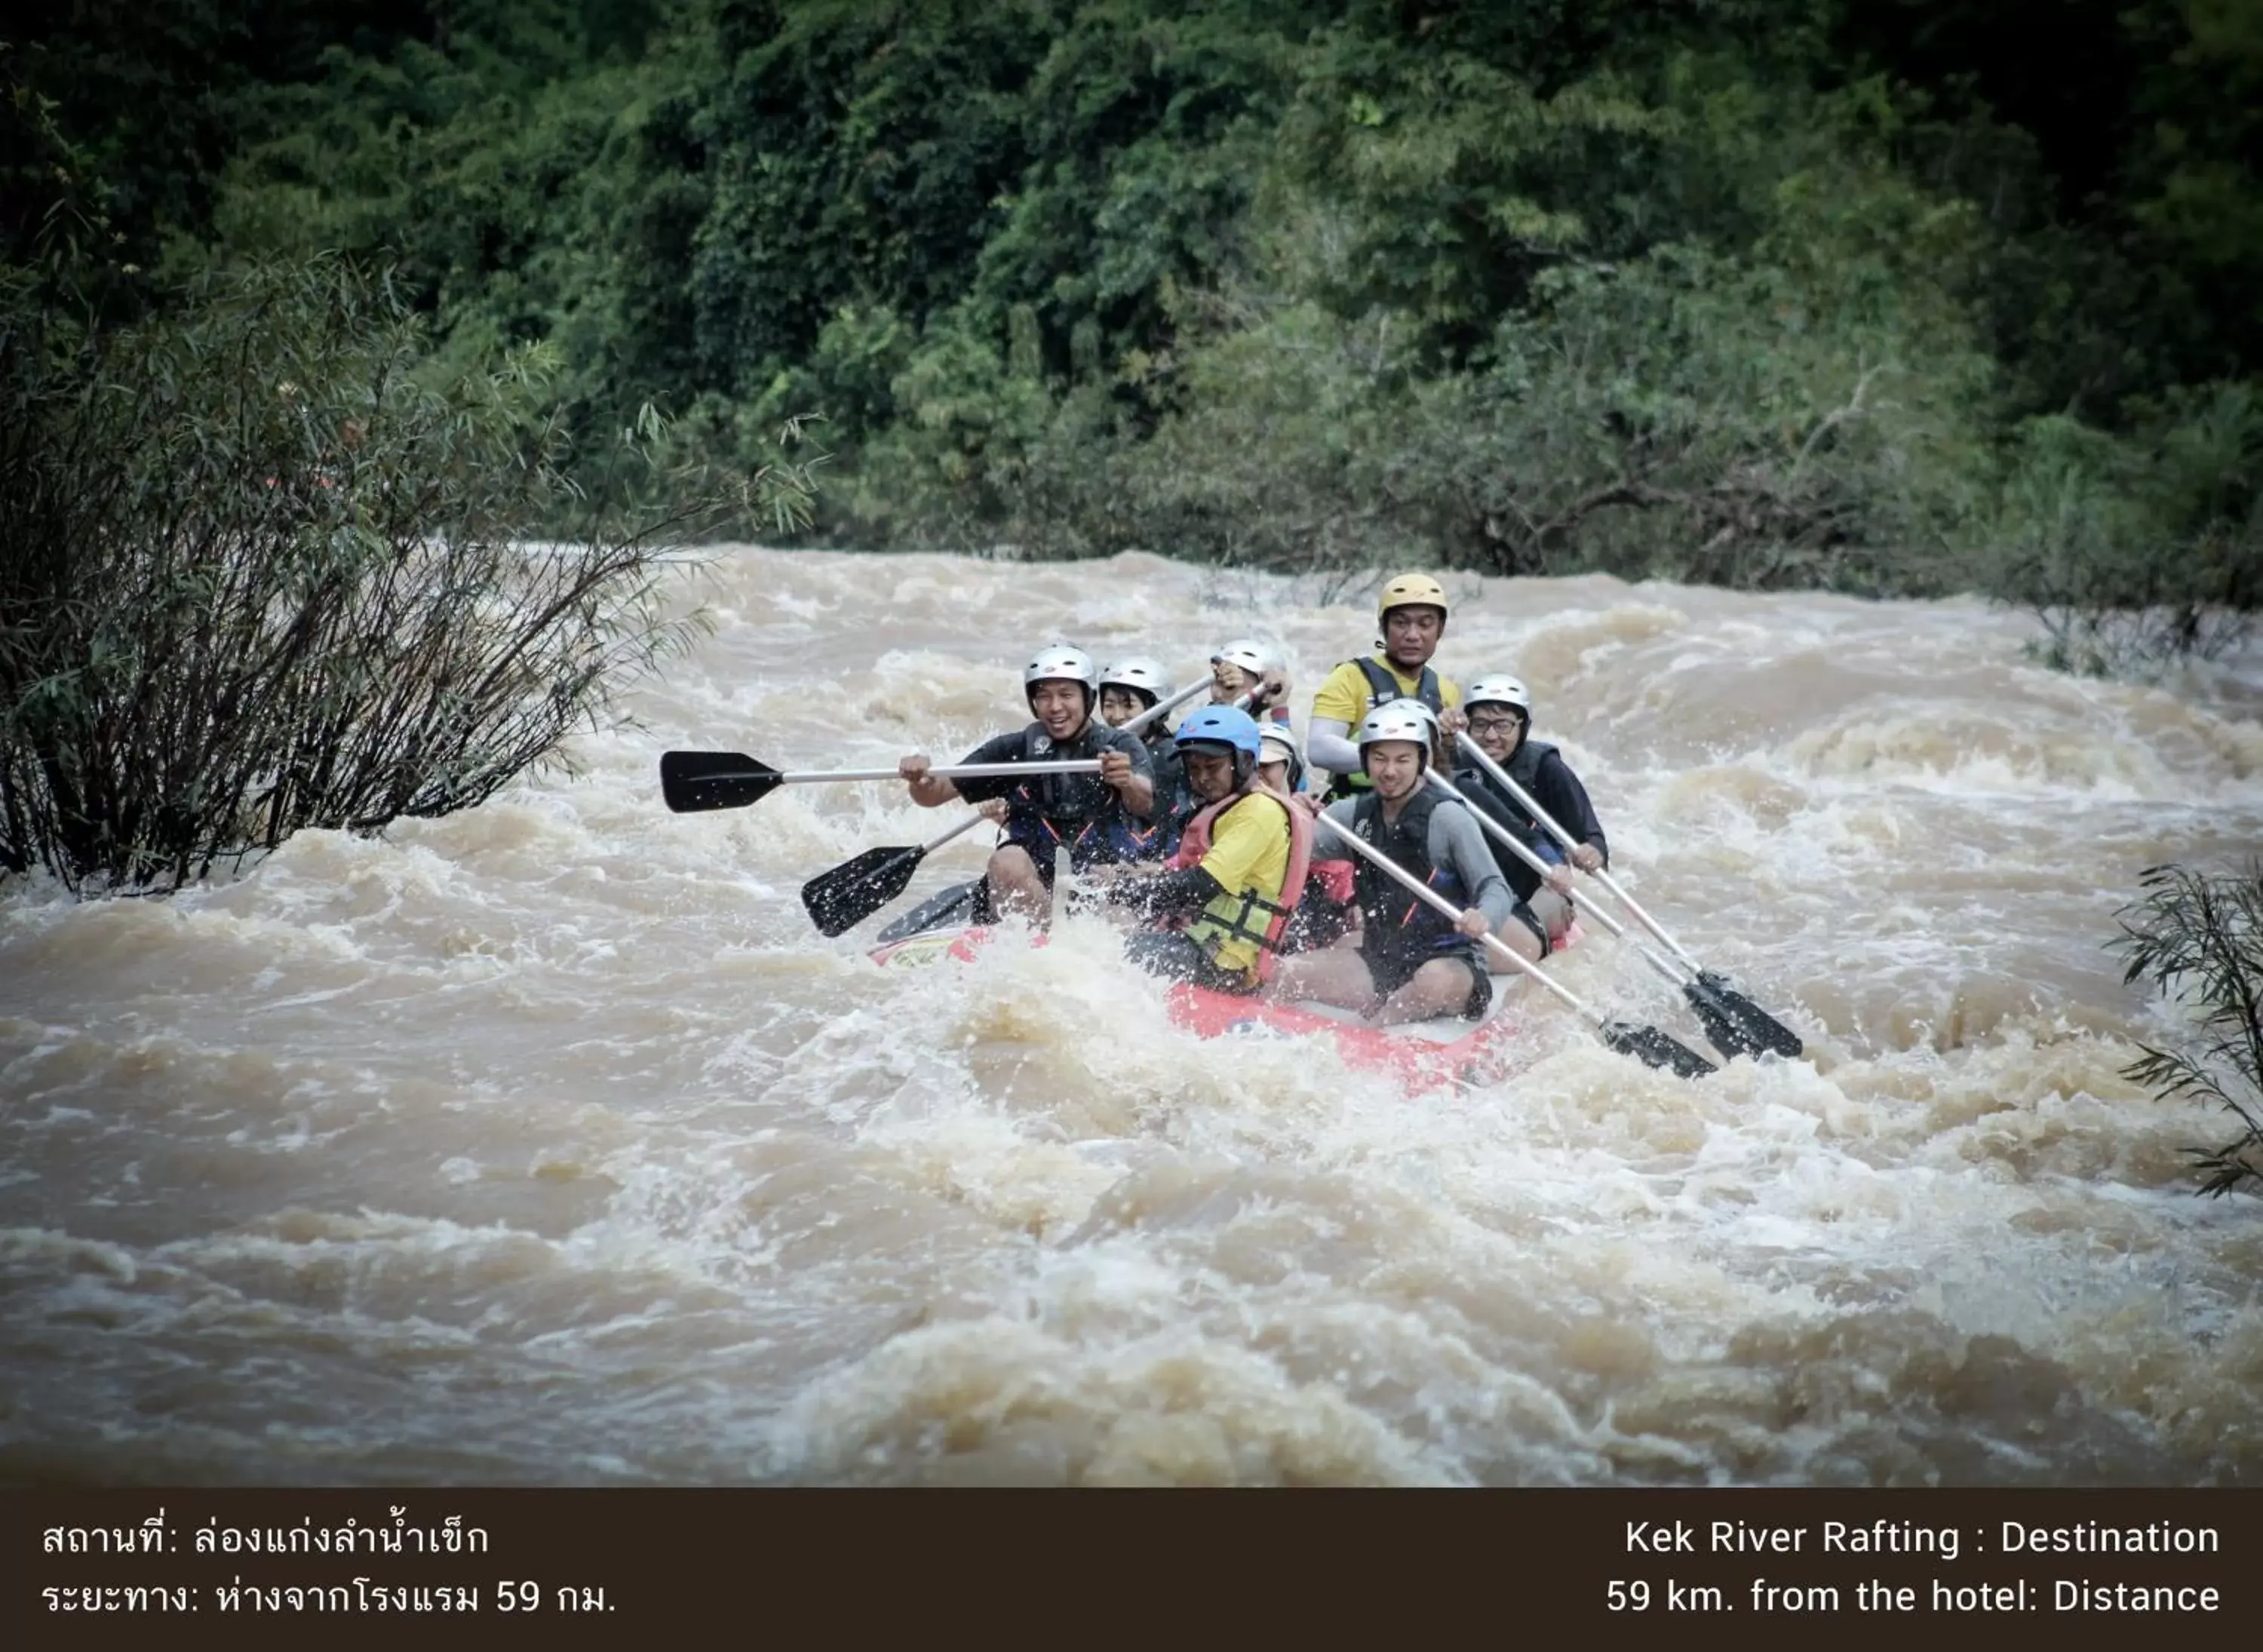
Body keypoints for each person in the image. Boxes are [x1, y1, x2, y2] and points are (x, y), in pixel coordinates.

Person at [1268, 702, 1525, 1027]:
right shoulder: (1351, 814)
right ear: (1365, 761)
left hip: (1451, 964)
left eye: (1402, 760)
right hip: (1380, 960)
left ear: (1421, 761)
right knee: (1284, 974)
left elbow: (1495, 887)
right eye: (1379, 759)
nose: (1390, 771)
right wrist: (1284, 809)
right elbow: (1292, 852)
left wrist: (1484, 915)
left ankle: (1374, 1032)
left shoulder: (1448, 818)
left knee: (1432, 980)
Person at [897, 643, 1154, 923]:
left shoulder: (1119, 744)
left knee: (1121, 910)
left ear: (1088, 697)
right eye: (1044, 697)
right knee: (1006, 862)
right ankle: (1033, 945)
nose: (1055, 707)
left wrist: (1126, 781)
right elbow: (933, 795)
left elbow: (1143, 802)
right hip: (1034, 881)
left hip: (1101, 876)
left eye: (1066, 695)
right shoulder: (1015, 749)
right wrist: (920, 778)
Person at [1104, 705, 1313, 995]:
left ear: (1245, 761)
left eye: (1212, 767)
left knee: (1110, 959)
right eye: (1194, 768)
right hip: (1204, 944)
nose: (1202, 778)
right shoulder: (1232, 806)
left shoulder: (1259, 811)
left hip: (1224, 961)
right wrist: (1127, 880)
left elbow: (1202, 884)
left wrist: (1127, 892)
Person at [1451, 673, 1606, 945]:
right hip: (1480, 889)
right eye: (1481, 725)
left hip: (1540, 885)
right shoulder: (1455, 766)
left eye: (1503, 726)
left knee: (1528, 922)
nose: (1490, 736)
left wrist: (1592, 853)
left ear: (1523, 727)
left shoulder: (1546, 769)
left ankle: (1524, 941)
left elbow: (1590, 836)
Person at [1307, 573, 1466, 803]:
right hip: (1356, 804)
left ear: (1439, 630)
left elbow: (1447, 766)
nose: (1413, 635)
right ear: (1384, 627)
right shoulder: (1349, 677)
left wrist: (1451, 743)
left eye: (1425, 624)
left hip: (1422, 805)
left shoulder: (1446, 690)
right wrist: (1385, 755)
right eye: (1401, 623)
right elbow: (1319, 748)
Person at [1099, 656, 1193, 859]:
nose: (1116, 715)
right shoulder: (1097, 750)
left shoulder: (1179, 752)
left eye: (1128, 705)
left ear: (1156, 709)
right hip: (1112, 862)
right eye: (1109, 705)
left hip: (1165, 862)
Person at [1209, 639, 1293, 725]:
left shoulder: (1260, 735)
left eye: (1231, 687)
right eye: (1218, 682)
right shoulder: (1198, 723)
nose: (1219, 693)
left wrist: (1279, 705)